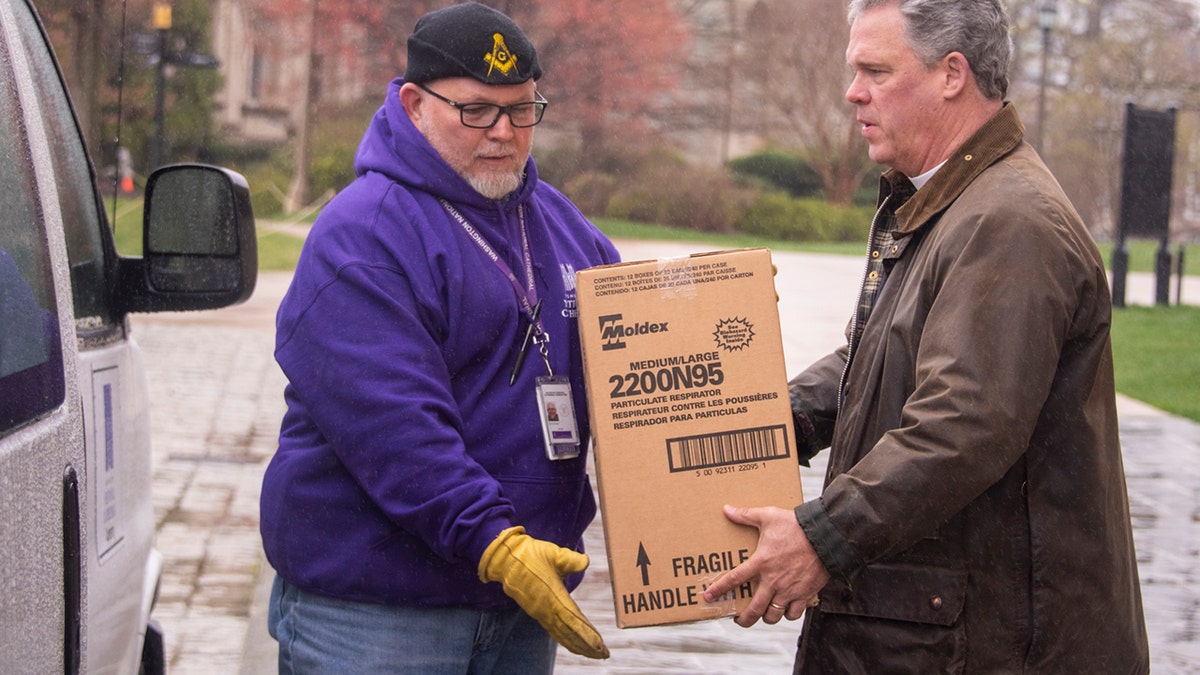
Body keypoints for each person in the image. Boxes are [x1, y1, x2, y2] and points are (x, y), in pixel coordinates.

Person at [702, 0, 1150, 672]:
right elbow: (873, 359)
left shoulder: (1009, 220)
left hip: (991, 644)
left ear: (952, 74)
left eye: (875, 70)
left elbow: (965, 423)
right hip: (933, 632)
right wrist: (766, 424)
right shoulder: (947, 202)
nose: (853, 92)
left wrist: (823, 537)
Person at [259, 3, 618, 672]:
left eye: (522, 109)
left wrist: (705, 320)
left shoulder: (561, 225)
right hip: (376, 612)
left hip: (518, 605)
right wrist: (497, 544)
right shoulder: (365, 234)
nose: (504, 132)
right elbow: (394, 430)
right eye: (476, 110)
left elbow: (634, 354)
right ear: (415, 103)